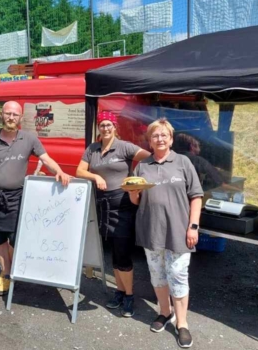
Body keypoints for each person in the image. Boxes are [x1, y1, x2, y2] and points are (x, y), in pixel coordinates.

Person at [0, 101, 71, 296]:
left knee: (16, 238)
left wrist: (60, 172)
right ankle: (6, 274)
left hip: (17, 197)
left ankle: (14, 271)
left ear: (20, 118)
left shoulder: (29, 139)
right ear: (1, 115)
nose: (11, 118)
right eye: (8, 114)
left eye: (15, 115)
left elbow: (45, 159)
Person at [128, 118, 203, 348]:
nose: (159, 139)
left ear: (170, 139)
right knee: (158, 276)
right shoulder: (142, 166)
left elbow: (196, 196)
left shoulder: (183, 162)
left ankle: (182, 324)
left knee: (178, 276)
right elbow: (136, 200)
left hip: (179, 232)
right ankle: (164, 312)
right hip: (151, 231)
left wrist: (193, 226)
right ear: (149, 141)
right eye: (155, 136)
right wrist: (132, 191)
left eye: (164, 135)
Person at [76, 111, 150, 317]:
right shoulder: (93, 149)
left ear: (115, 127)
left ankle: (129, 296)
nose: (106, 128)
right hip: (103, 206)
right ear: (99, 128)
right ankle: (119, 292)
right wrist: (95, 177)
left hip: (124, 207)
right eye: (102, 125)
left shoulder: (124, 146)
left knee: (123, 254)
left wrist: (137, 182)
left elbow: (149, 158)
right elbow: (79, 171)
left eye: (109, 125)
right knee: (115, 254)